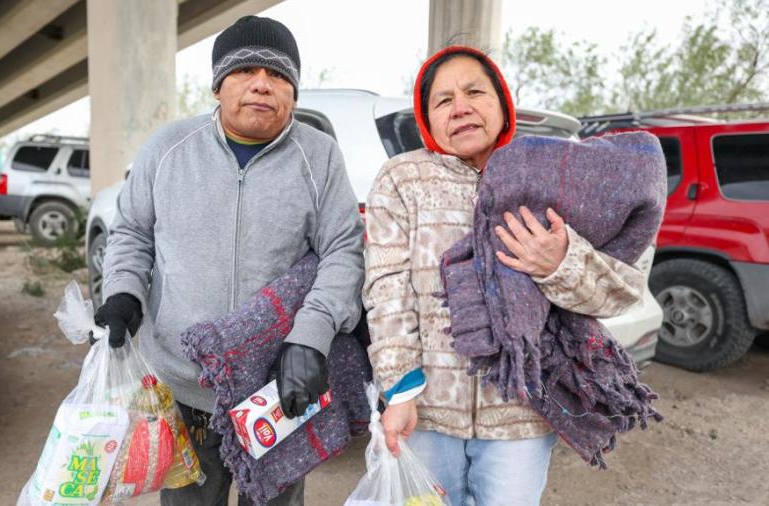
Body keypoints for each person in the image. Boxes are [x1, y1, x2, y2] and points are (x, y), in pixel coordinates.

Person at [95, 15, 365, 506]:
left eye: (279, 75)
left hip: (276, 391)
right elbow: (132, 231)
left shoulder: (319, 156)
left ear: (294, 92)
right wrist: (123, 292)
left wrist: (311, 337)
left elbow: (343, 250)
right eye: (246, 71)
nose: (262, 84)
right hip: (186, 387)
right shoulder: (167, 149)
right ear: (218, 85)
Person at [362, 46, 648, 506]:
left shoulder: (554, 175)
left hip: (520, 413)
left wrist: (559, 263)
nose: (461, 107)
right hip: (427, 410)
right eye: (443, 100)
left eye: (475, 91)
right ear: (426, 118)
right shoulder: (402, 179)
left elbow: (621, 290)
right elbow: (387, 289)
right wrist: (400, 390)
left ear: (501, 102)